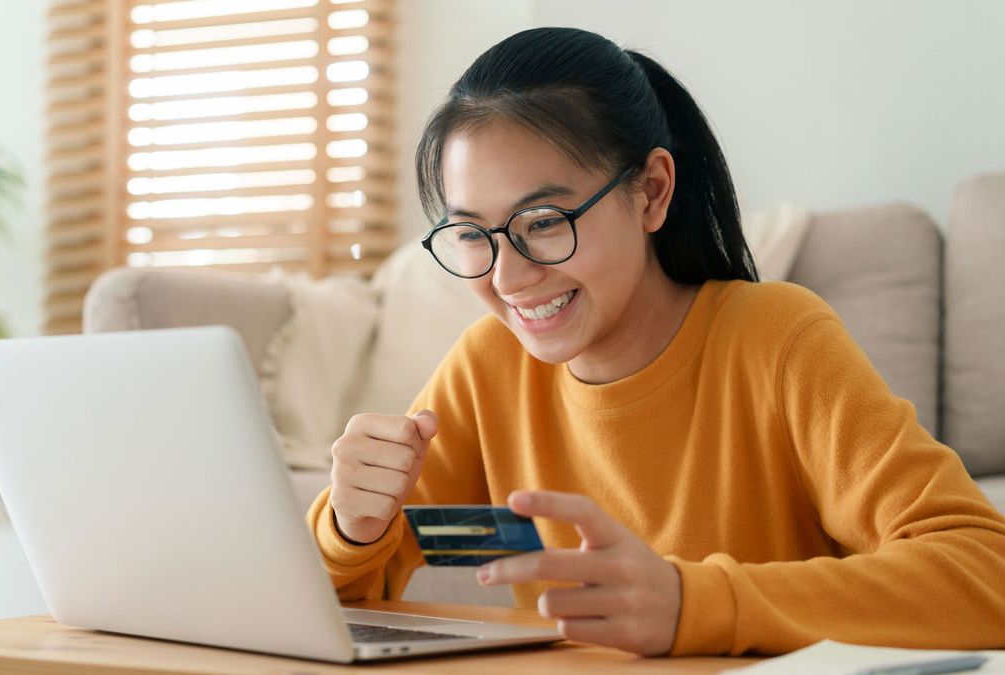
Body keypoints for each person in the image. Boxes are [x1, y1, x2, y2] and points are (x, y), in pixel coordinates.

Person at [306, 27, 1005, 656]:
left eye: (544, 220)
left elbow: (984, 573)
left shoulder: (777, 338)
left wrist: (691, 602)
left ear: (651, 192)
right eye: (472, 235)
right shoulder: (489, 367)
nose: (510, 275)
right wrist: (351, 527)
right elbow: (377, 578)